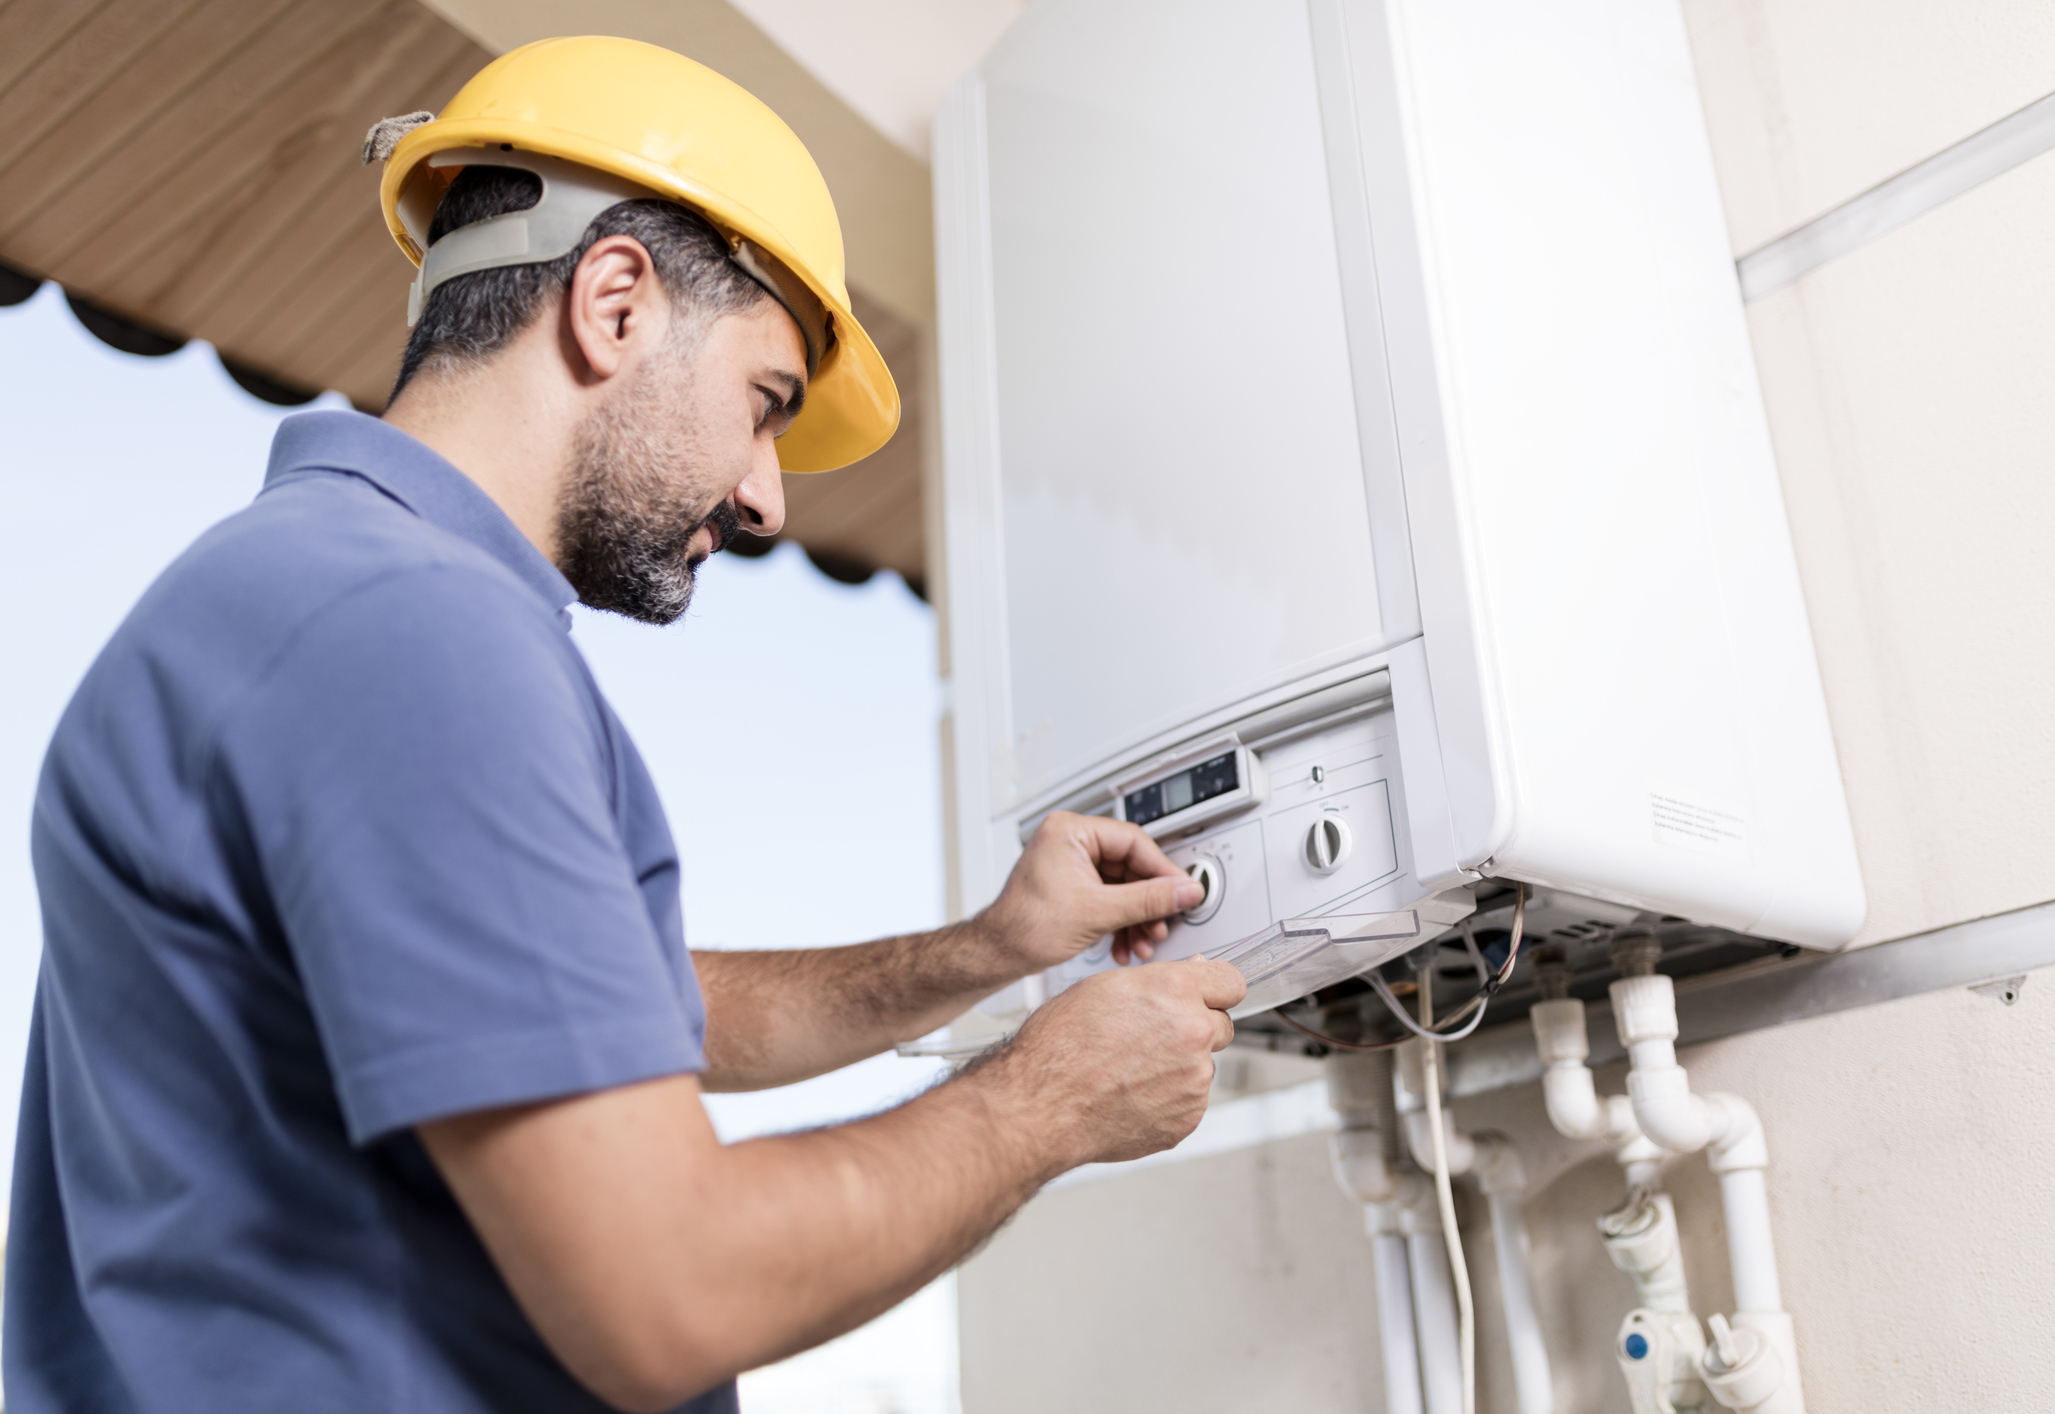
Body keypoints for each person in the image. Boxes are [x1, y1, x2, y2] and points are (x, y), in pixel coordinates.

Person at [4, 36, 1245, 1414]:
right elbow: (669, 1292)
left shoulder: (317, 599)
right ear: (612, 302)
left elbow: (598, 999)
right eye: (765, 403)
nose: (769, 499)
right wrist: (1049, 1100)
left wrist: (987, 951)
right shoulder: (407, 633)